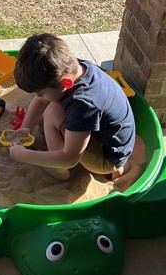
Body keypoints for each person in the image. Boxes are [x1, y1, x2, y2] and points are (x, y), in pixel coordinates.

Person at [9, 33, 136, 181]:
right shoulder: (75, 68)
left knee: (52, 111)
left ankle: (59, 171)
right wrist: (24, 132)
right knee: (50, 103)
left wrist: (23, 155)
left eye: (41, 93)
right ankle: (118, 168)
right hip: (116, 147)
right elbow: (42, 100)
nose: (37, 96)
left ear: (66, 83)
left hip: (106, 159)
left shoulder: (84, 103)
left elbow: (70, 158)